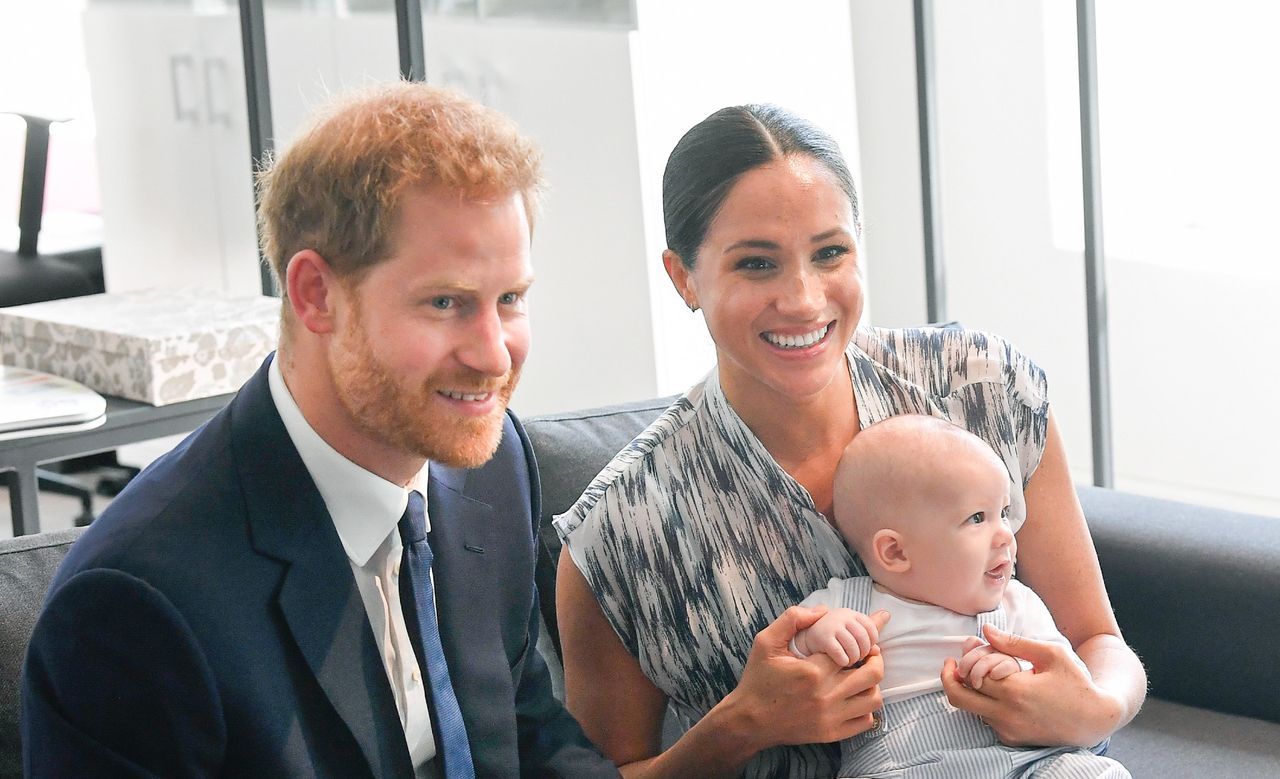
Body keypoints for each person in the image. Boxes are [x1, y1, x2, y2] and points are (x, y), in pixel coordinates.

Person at [21, 83, 619, 778]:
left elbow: (527, 731)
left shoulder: (490, 462)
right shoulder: (132, 609)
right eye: (446, 302)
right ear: (314, 294)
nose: (493, 354)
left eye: (510, 299)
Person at [554, 103, 1146, 778]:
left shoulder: (982, 389)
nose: (804, 299)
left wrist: (1095, 708)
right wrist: (742, 724)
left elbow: (1101, 639)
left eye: (830, 252)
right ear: (683, 276)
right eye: (756, 264)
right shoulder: (621, 532)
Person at [789, 414, 1128, 778]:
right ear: (896, 553)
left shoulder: (1017, 604)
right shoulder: (847, 604)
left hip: (1025, 762)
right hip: (900, 766)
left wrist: (1018, 672)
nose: (1006, 535)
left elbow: (1068, 681)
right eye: (977, 518)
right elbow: (785, 664)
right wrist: (816, 637)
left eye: (1004, 513)